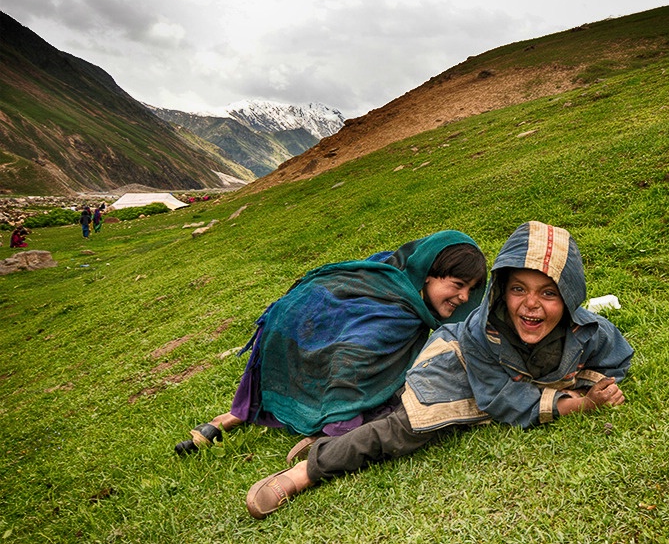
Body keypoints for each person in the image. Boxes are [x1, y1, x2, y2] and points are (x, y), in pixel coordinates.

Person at [244, 221, 634, 519]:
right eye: (519, 290)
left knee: (395, 416)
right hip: (455, 367)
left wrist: (597, 384)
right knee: (403, 429)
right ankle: (305, 472)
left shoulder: (591, 331)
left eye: (548, 293)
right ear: (502, 292)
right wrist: (576, 404)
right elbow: (501, 398)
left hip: (500, 382)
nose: (531, 305)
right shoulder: (485, 333)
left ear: (569, 299)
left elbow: (617, 360)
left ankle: (331, 441)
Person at [175, 230, 488, 456]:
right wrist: (341, 426)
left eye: (470, 289)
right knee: (393, 400)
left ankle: (224, 421)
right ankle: (319, 426)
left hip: (289, 344)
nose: (463, 298)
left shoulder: (389, 269)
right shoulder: (398, 313)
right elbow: (350, 362)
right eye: (457, 285)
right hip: (306, 350)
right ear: (429, 275)